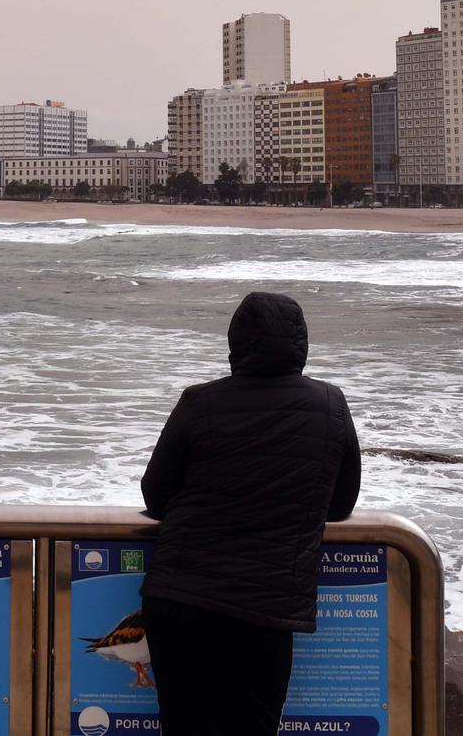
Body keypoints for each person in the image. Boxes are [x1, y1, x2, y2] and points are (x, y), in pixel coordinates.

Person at [138, 290, 361, 736]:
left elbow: (155, 494)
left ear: (235, 343)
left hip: (180, 598)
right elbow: (340, 504)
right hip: (265, 611)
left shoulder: (198, 401)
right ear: (300, 345)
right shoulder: (329, 405)